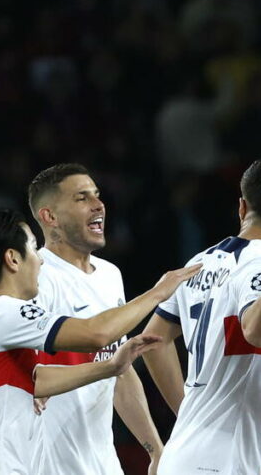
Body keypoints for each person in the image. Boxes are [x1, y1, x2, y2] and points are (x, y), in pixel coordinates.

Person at [0, 205, 198, 474]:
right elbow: (96, 334)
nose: (41, 259)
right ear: (13, 259)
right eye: (34, 248)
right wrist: (159, 293)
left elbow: (35, 381)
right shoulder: (2, 313)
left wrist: (109, 367)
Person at [140, 157, 261, 475]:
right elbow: (255, 329)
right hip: (232, 458)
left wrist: (189, 410)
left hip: (182, 451)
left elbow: (153, 341)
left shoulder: (199, 261)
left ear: (242, 207)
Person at [26, 163, 166, 474]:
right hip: (47, 464)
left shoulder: (110, 275)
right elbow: (25, 379)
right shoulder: (34, 278)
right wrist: (158, 293)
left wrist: (155, 449)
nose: (98, 204)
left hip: (102, 462)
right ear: (50, 217)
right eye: (81, 198)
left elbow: (119, 370)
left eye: (97, 195)